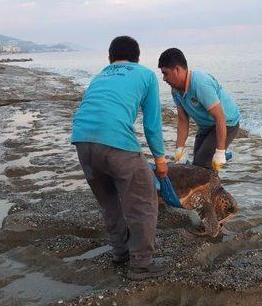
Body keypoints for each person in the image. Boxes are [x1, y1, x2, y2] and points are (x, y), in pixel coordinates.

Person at [71, 36, 168, 280]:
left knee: (109, 202)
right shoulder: (145, 75)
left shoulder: (100, 75)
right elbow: (152, 124)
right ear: (137, 57)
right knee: (143, 202)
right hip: (115, 141)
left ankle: (120, 252)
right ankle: (141, 264)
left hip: (82, 140)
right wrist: (160, 160)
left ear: (109, 57)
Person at [158, 48, 241, 170]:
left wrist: (220, 152)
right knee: (196, 163)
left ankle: (222, 160)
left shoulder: (200, 84)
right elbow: (182, 120)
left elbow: (220, 117)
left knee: (202, 163)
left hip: (227, 123)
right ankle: (220, 157)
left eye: (165, 73)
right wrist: (179, 149)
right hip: (206, 125)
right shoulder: (175, 90)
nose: (164, 79)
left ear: (177, 70)